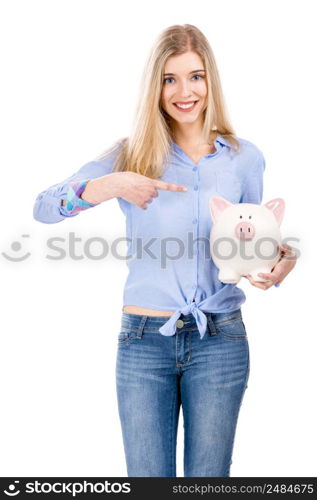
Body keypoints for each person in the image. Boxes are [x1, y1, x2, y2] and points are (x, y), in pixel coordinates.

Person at [33, 24, 297, 477]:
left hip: (220, 339)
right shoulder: (130, 153)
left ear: (210, 80)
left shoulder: (244, 157)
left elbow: (259, 236)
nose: (184, 91)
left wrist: (285, 260)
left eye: (195, 76)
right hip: (143, 342)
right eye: (169, 79)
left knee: (208, 484)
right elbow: (44, 208)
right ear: (155, 87)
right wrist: (112, 183)